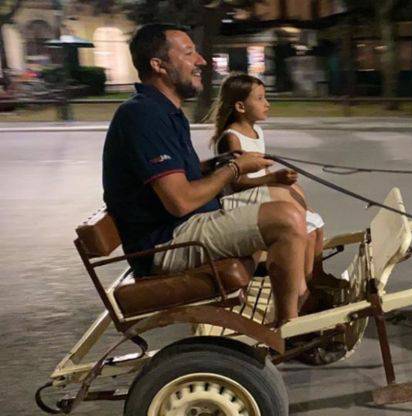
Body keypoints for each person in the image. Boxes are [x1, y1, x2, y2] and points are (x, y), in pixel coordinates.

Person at [102, 23, 308, 325]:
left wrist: (219, 163)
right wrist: (234, 168)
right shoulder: (142, 116)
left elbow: (179, 174)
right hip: (167, 241)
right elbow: (180, 201)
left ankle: (301, 291)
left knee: (287, 195)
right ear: (158, 65)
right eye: (188, 53)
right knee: (285, 220)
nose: (201, 60)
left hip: (186, 224)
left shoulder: (164, 111)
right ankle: (290, 331)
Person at [208, 73, 332, 285]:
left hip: (259, 195)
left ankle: (317, 277)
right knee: (308, 232)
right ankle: (305, 285)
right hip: (241, 201)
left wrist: (280, 182)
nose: (267, 104)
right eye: (260, 99)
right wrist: (274, 178)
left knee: (317, 224)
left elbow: (262, 175)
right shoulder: (232, 138)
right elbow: (237, 183)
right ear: (240, 106)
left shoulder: (257, 132)